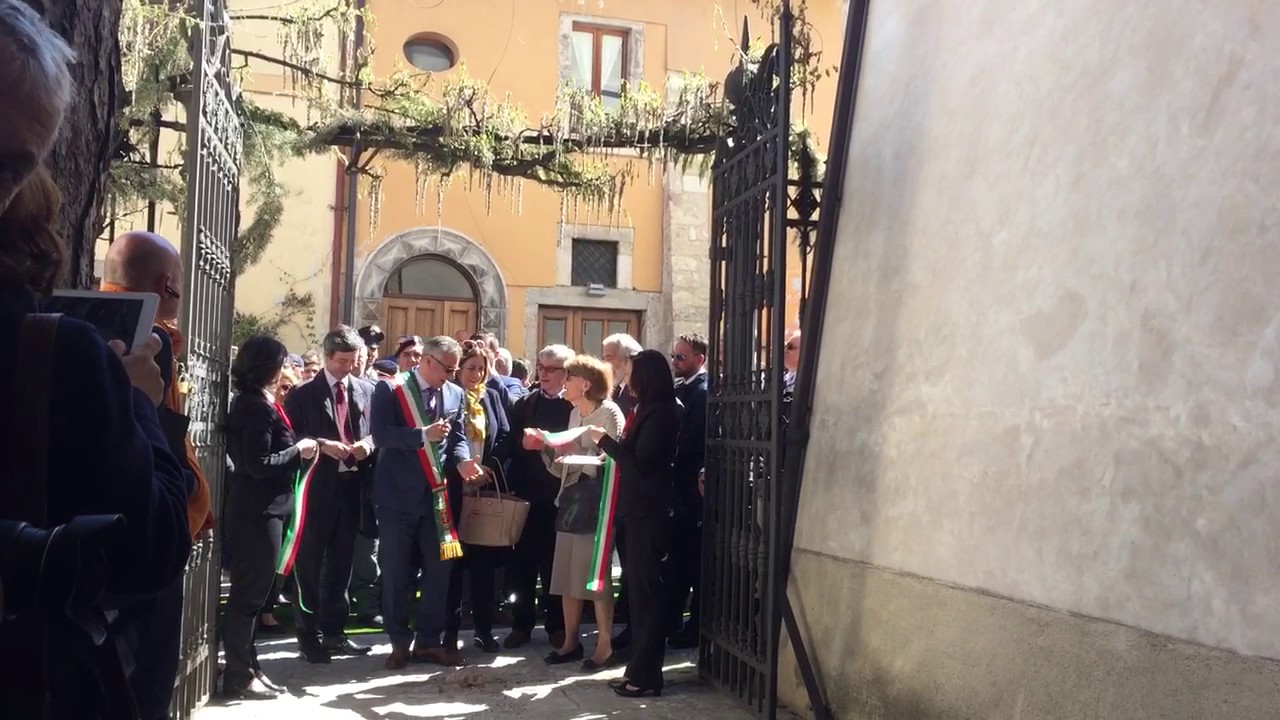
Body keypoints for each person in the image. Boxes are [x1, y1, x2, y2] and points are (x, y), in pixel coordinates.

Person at [0, 4, 191, 716]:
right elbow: (148, 542)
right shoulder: (59, 353)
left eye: (12, 165)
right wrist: (138, 403)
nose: (172, 295)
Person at [100, 230, 216, 718]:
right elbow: (160, 439)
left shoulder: (84, 323)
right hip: (147, 525)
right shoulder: (153, 342)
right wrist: (190, 488)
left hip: (91, 532)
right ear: (167, 285)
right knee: (144, 680)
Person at [370, 335, 481, 669]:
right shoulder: (391, 390)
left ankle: (428, 642)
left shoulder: (455, 393)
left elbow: (458, 437)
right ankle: (399, 642)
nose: (450, 375)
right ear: (427, 361)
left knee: (440, 573)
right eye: (447, 368)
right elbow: (380, 435)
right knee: (396, 573)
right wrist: (421, 435)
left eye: (454, 369)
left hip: (437, 499)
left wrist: (463, 461)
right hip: (397, 499)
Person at [222, 335, 317, 699]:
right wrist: (300, 450)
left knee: (257, 597)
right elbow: (257, 464)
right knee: (248, 598)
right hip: (256, 512)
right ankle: (238, 675)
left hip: (269, 510)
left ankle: (250, 666)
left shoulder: (261, 402)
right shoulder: (253, 407)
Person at [585, 349, 682, 698]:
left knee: (647, 595)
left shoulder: (665, 412)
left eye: (630, 374)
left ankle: (647, 676)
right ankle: (636, 670)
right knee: (637, 597)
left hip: (649, 513)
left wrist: (605, 441)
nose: (625, 380)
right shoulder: (647, 409)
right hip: (638, 511)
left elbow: (642, 464)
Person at [284, 325, 377, 661]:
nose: (348, 367)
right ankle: (308, 636)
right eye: (341, 361)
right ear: (326, 358)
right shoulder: (303, 394)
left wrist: (367, 445)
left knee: (341, 567)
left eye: (353, 361)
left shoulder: (367, 389)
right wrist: (323, 446)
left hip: (352, 490)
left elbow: (375, 431)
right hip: (316, 491)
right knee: (309, 568)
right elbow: (291, 437)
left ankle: (335, 632)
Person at [538, 355, 625, 670]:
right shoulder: (575, 413)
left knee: (595, 575)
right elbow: (571, 455)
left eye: (570, 375)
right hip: (571, 500)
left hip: (598, 504)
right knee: (566, 574)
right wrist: (552, 452)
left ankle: (604, 645)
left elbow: (615, 458)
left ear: (586, 383)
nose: (564, 380)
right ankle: (570, 641)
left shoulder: (609, 412)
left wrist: (578, 456)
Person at [503, 344, 575, 650]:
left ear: (566, 373)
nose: (543, 374)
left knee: (554, 565)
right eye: (541, 368)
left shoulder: (573, 407)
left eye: (551, 369)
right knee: (522, 564)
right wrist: (524, 446)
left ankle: (557, 626)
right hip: (527, 496)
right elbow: (509, 445)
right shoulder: (525, 403)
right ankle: (521, 624)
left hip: (559, 498)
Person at [444, 340, 512, 652]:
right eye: (471, 368)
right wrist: (460, 469)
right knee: (452, 564)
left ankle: (484, 629)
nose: (476, 374)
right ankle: (448, 633)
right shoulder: (447, 397)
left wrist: (489, 468)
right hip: (452, 492)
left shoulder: (493, 396)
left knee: (484, 567)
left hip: (484, 489)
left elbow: (506, 436)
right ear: (458, 369)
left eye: (481, 369)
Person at [600, 332, 643, 648]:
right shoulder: (612, 392)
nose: (605, 362)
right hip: (610, 486)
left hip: (633, 489)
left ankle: (631, 626)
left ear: (628, 360)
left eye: (609, 356)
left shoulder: (637, 396)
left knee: (632, 564)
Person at [667, 332, 709, 648]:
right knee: (678, 563)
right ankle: (672, 623)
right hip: (677, 491)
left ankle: (694, 627)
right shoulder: (681, 388)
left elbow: (693, 442)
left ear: (699, 359)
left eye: (681, 357)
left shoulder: (702, 392)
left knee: (693, 565)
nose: (675, 361)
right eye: (673, 356)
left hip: (693, 492)